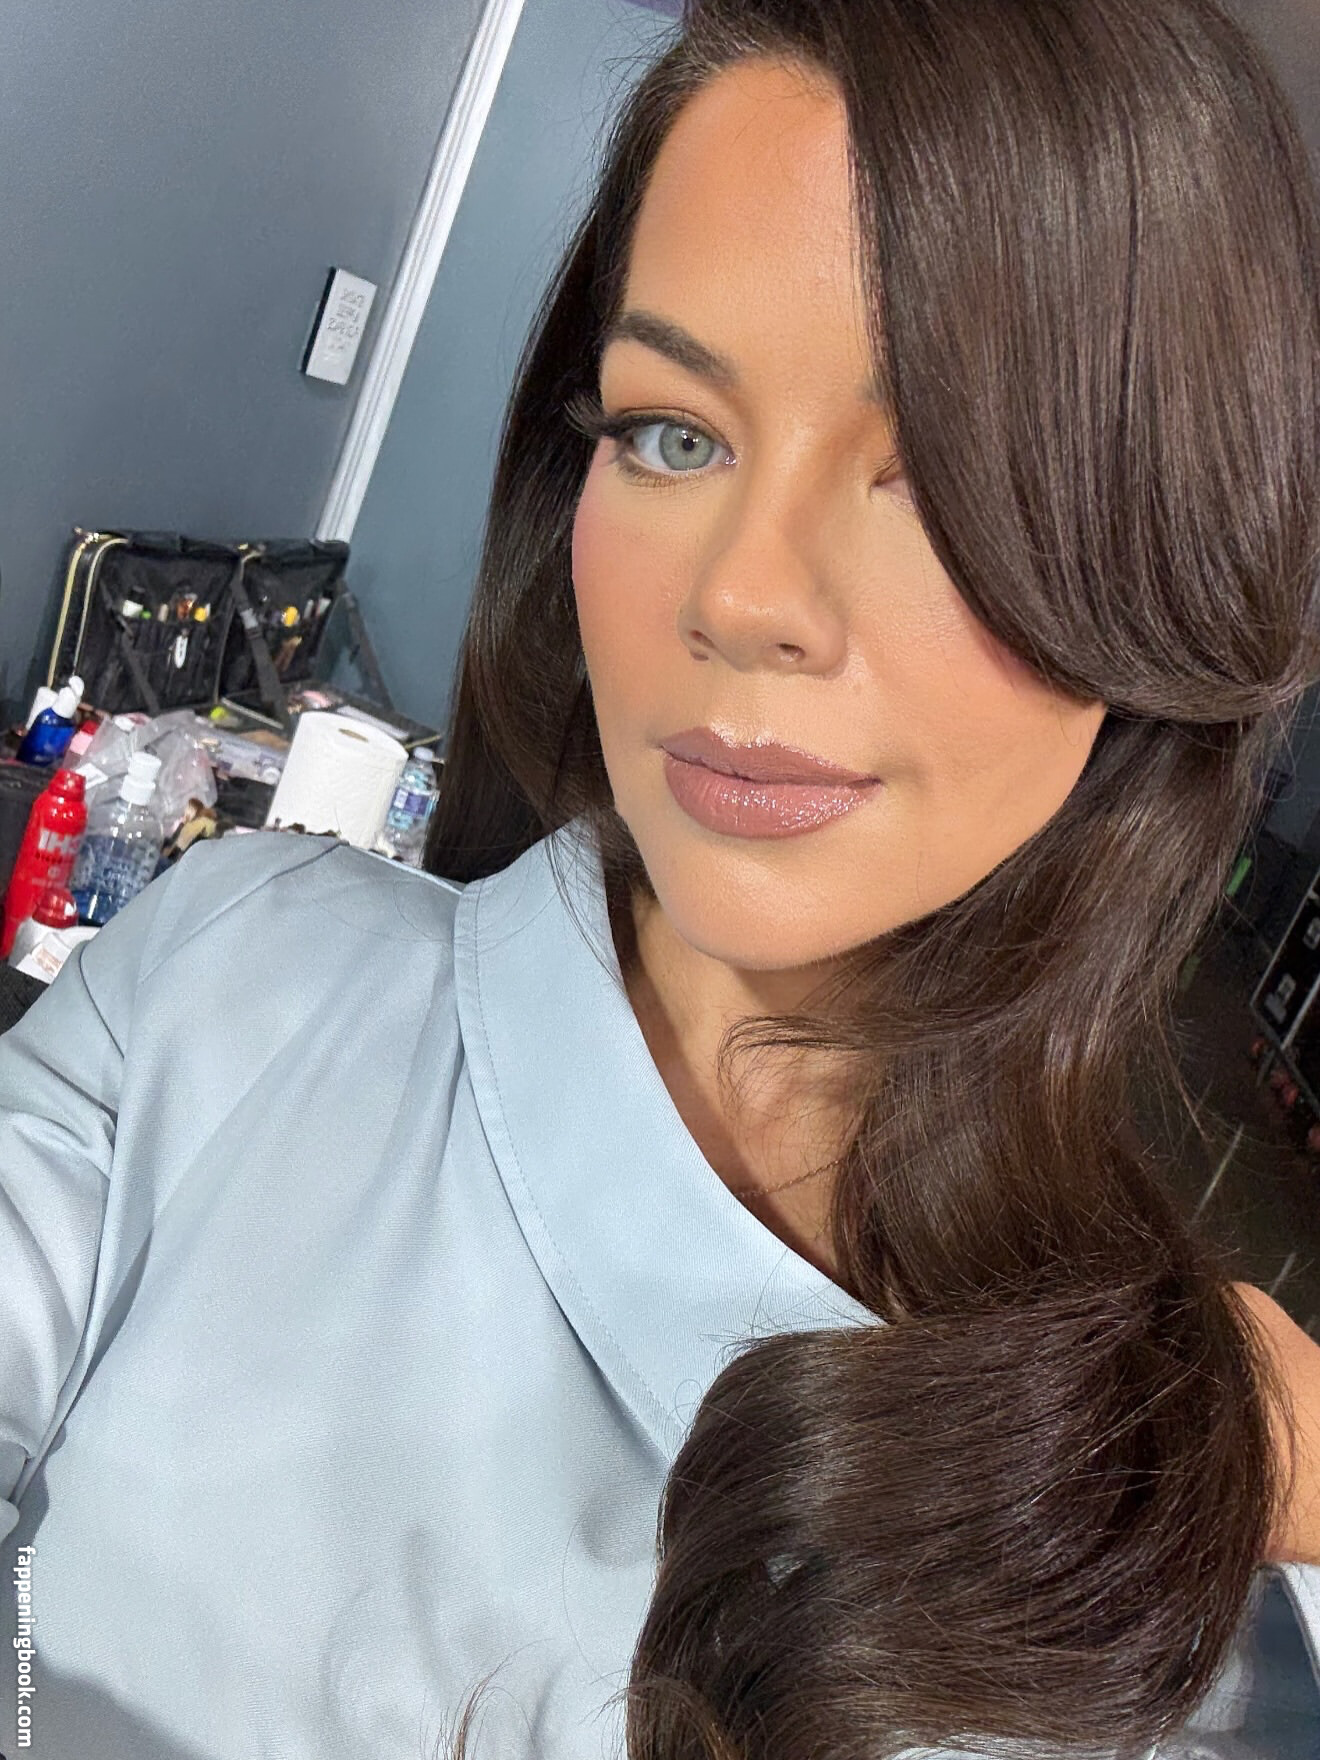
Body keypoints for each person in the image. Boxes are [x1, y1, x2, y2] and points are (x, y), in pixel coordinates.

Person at [3, 0, 1320, 1755]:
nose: (741, 593)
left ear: (1165, 571)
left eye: (939, 475)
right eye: (674, 434)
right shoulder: (229, 980)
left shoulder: (1174, 1584)